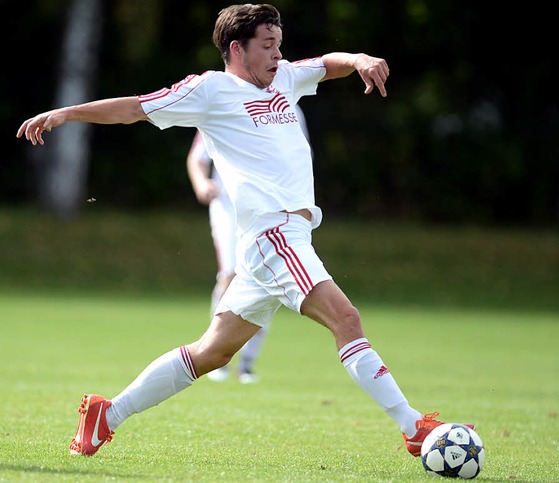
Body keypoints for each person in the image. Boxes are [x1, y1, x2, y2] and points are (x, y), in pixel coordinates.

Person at [17, 3, 474, 458]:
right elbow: (134, 109)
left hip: (275, 242)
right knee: (346, 320)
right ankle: (413, 426)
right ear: (237, 49)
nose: (278, 55)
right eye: (268, 46)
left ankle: (106, 414)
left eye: (280, 45)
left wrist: (358, 60)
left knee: (211, 353)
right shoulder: (210, 91)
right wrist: (66, 114)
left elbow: (327, 65)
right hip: (274, 236)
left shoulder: (285, 79)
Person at [186, 129, 265, 384]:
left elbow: (300, 155)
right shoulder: (220, 98)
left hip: (266, 207)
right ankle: (215, 354)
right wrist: (201, 183)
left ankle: (247, 363)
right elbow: (197, 158)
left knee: (265, 279)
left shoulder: (290, 104)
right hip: (227, 207)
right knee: (229, 275)